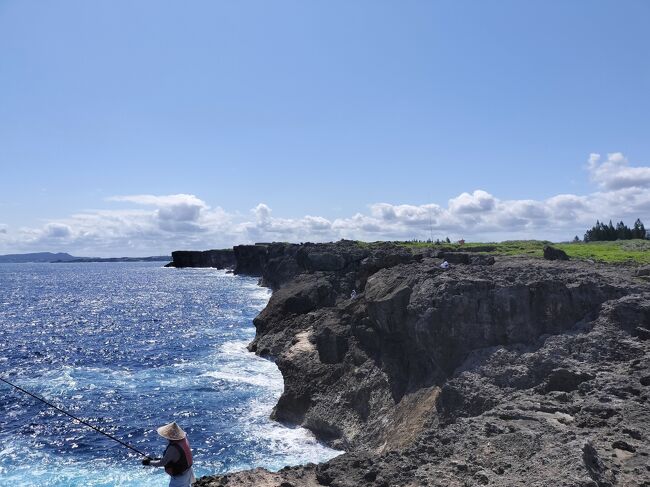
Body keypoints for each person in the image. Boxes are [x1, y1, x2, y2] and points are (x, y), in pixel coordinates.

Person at [142, 421, 195, 487]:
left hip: (179, 478)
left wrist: (148, 462)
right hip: (188, 472)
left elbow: (162, 463)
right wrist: (156, 459)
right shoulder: (184, 440)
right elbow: (177, 457)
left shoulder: (173, 448)